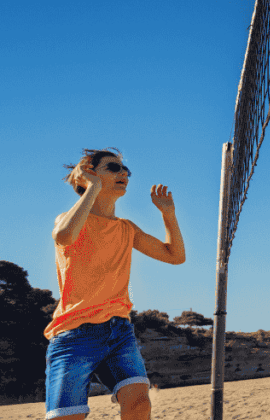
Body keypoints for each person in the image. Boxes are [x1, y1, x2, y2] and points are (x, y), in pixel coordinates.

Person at [46, 148, 186, 420]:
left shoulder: (126, 228)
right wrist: (92, 188)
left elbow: (175, 256)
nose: (124, 174)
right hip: (74, 335)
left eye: (126, 171)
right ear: (89, 171)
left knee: (139, 403)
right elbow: (64, 236)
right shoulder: (68, 219)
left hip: (118, 331)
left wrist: (168, 214)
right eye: (113, 168)